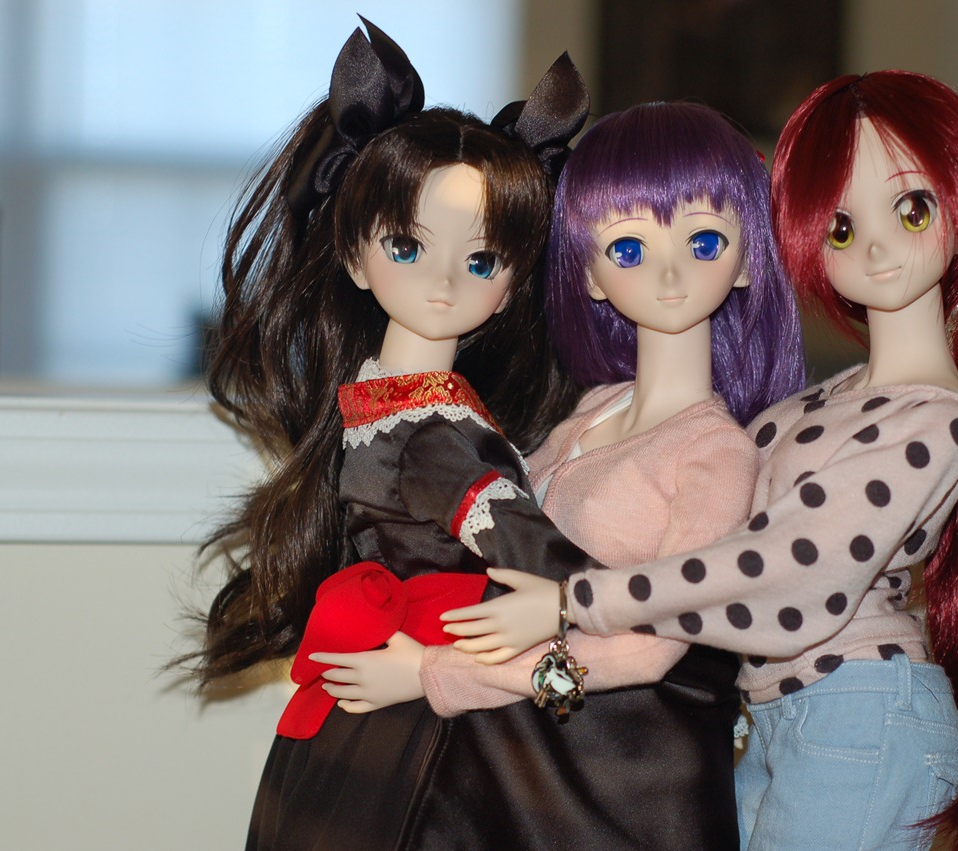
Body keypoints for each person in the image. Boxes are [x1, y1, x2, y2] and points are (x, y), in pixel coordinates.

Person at [443, 71, 958, 851]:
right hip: (778, 716)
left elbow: (787, 569)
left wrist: (572, 602)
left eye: (912, 209)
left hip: (858, 710)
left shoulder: (934, 423)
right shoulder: (812, 404)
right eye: (841, 227)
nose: (876, 246)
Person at [182, 18, 637, 850]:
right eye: (406, 246)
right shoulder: (429, 428)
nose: (442, 282)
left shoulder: (382, 407)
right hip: (431, 714)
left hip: (399, 690)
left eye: (480, 261)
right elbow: (538, 557)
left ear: (510, 287)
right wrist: (640, 599)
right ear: (356, 258)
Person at [316, 101, 805, 850]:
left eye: (704, 241)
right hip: (536, 770)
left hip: (627, 787)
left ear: (746, 261)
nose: (669, 272)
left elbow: (651, 648)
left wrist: (441, 672)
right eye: (628, 247)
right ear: (591, 275)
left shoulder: (715, 453)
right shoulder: (588, 413)